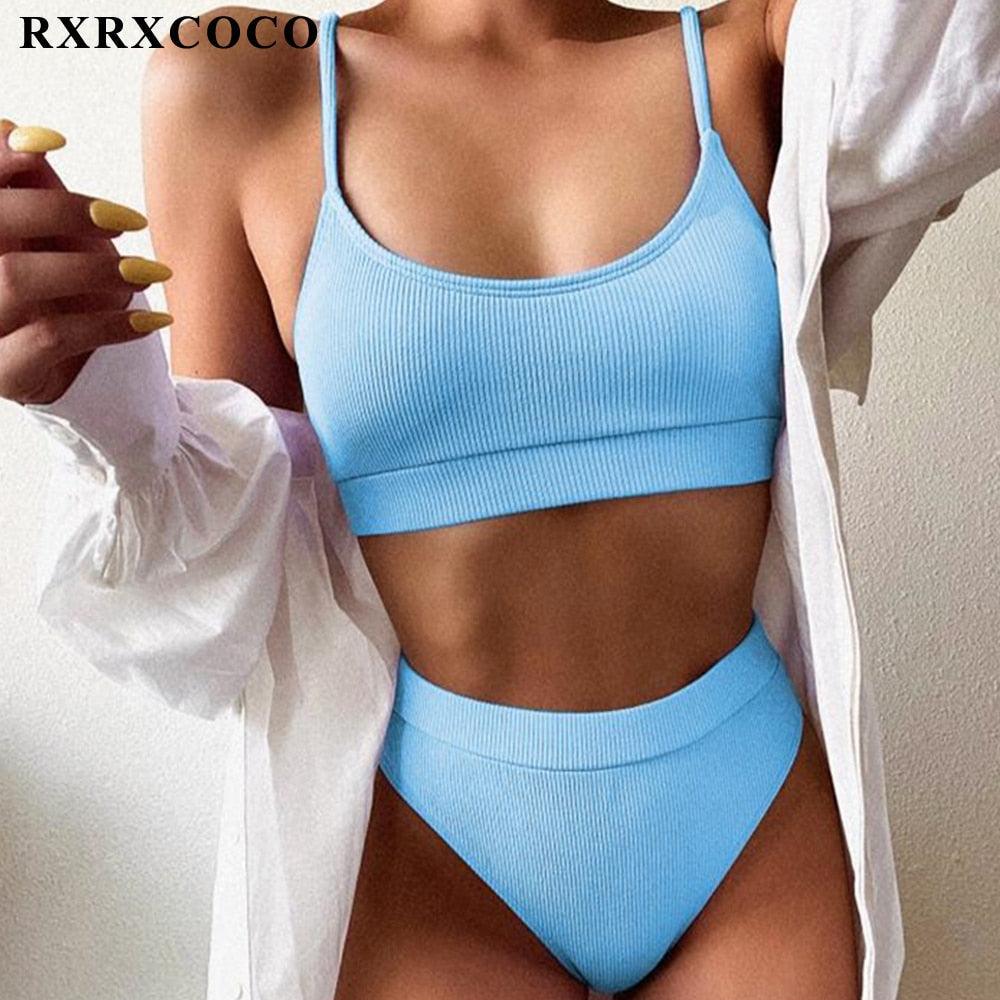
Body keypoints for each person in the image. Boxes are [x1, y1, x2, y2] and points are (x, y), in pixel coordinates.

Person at [2, 2, 997, 999]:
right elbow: (237, 534)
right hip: (439, 847)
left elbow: (962, 56)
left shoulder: (753, 49)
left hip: (748, 824)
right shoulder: (242, 77)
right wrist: (91, 392)